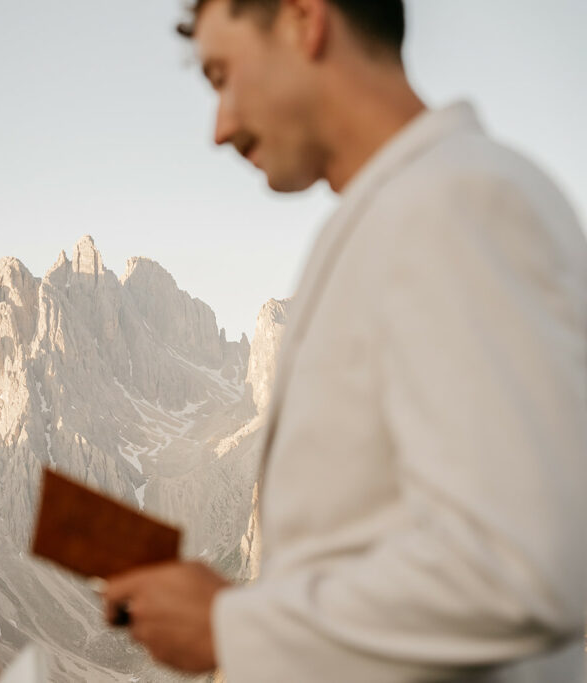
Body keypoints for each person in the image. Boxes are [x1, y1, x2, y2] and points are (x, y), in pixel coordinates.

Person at [103, 0, 587, 680]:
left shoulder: (456, 199)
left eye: (221, 75)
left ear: (306, 19)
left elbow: (520, 562)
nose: (220, 127)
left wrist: (231, 627)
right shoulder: (396, 211)